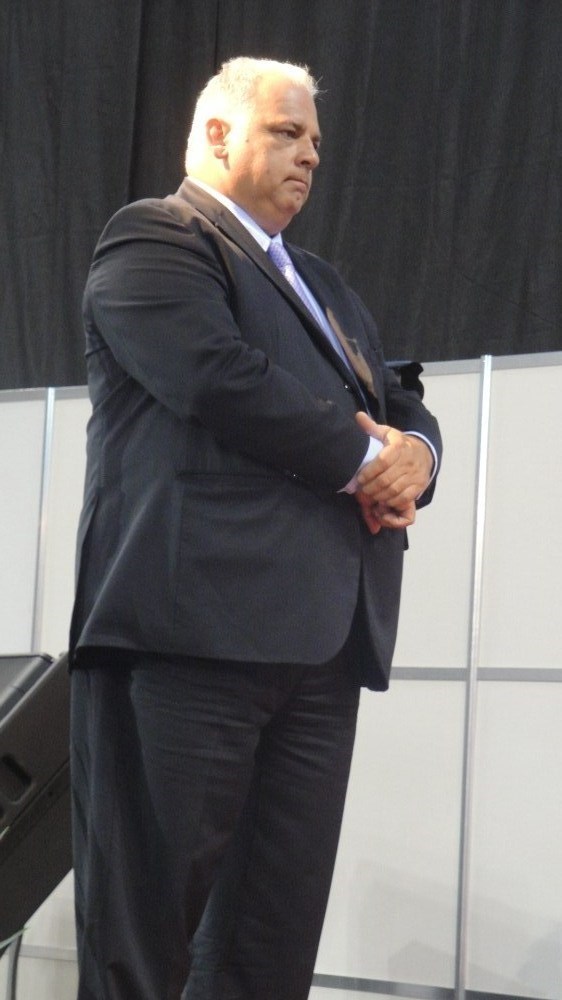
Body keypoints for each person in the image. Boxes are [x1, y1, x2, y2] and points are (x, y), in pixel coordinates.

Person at [69, 56, 442, 1000]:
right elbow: (217, 377)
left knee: (267, 955)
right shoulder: (156, 237)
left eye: (316, 141)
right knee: (142, 946)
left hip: (321, 652)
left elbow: (398, 397)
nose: (310, 155)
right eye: (287, 132)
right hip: (188, 640)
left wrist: (418, 455)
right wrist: (365, 459)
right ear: (217, 134)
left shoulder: (323, 283)